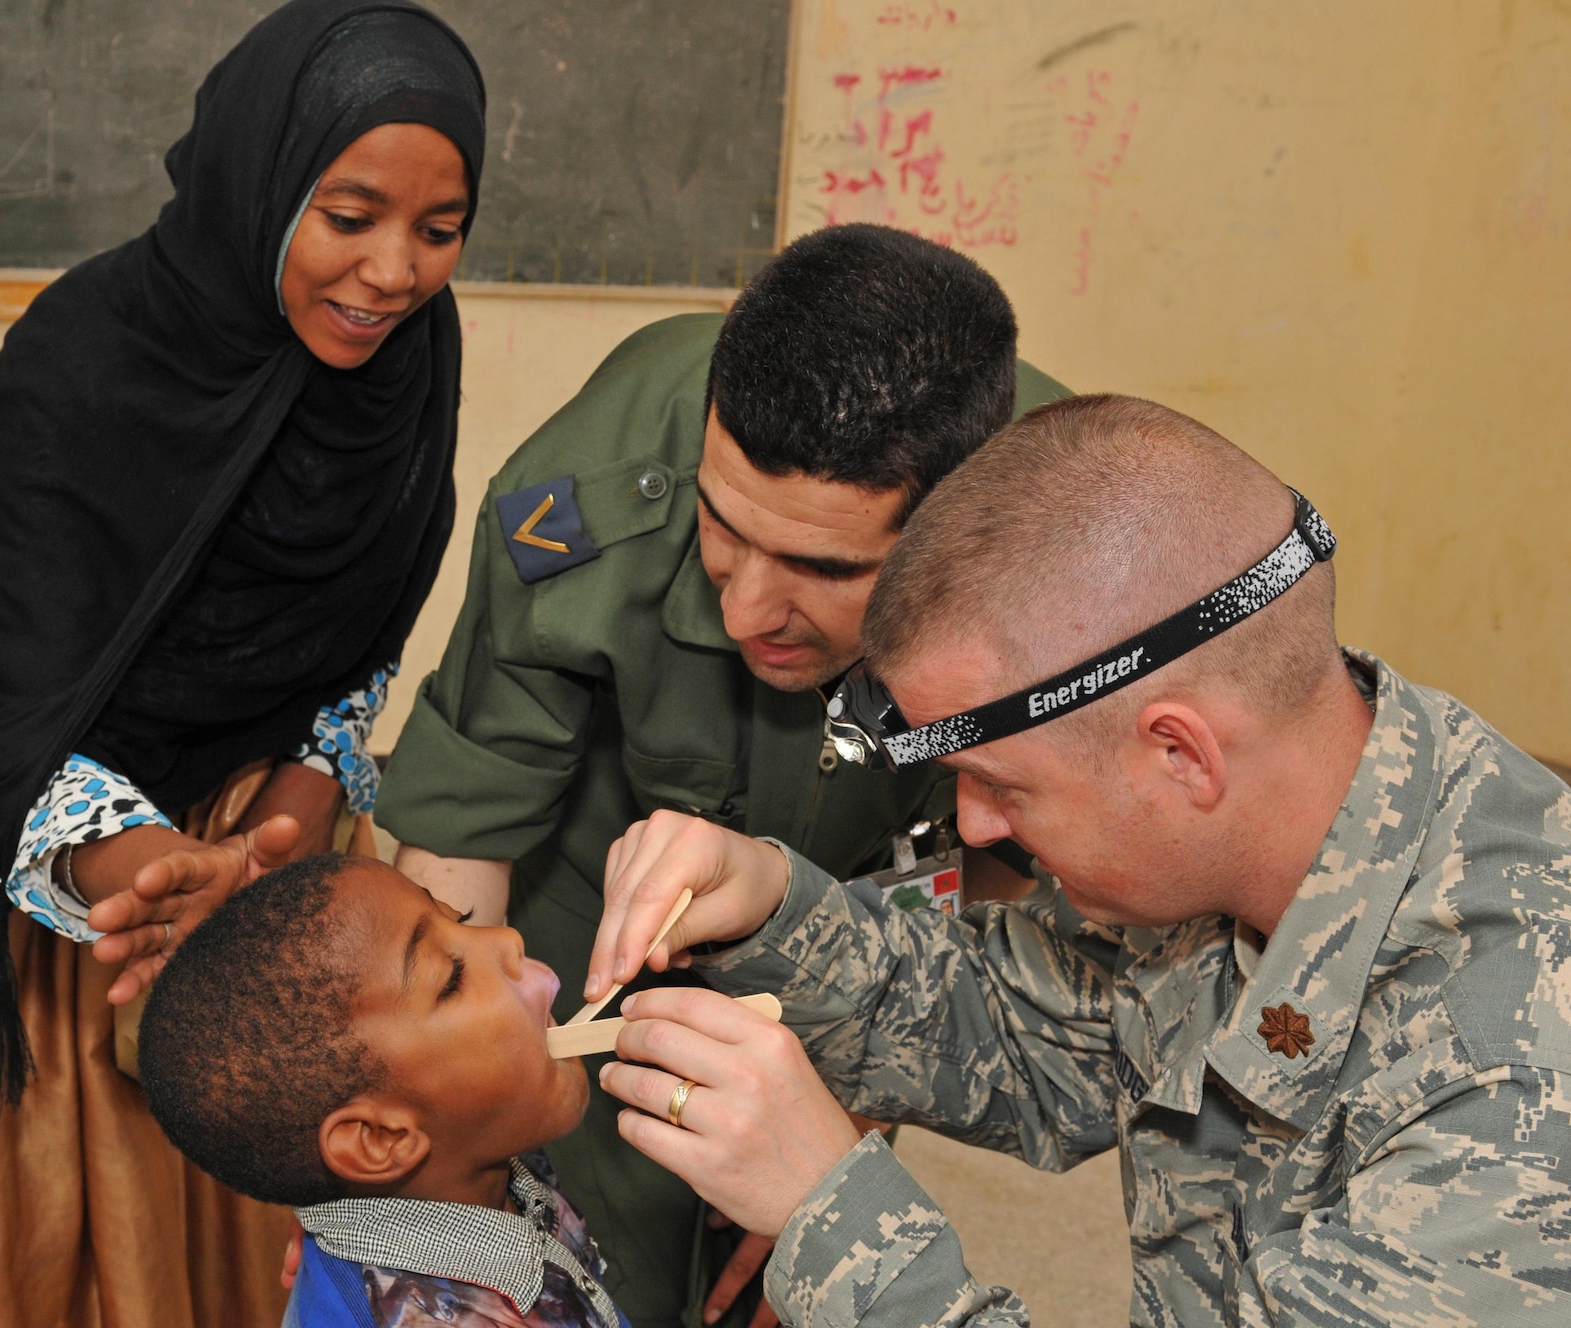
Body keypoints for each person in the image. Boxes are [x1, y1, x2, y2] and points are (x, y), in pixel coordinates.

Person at [586, 394, 1571, 1325]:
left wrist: (835, 1219)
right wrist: (767, 908)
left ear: (1178, 752)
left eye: (1000, 785)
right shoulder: (1269, 824)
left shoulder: (1513, 1084)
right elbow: (1010, 1029)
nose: (974, 826)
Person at [0, 4, 486, 1325]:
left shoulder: (408, 364)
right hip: (57, 869)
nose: (394, 273)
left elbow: (359, 642)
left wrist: (277, 834)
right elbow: (19, 676)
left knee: (245, 1239)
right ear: (262, 180)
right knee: (33, 1252)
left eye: (439, 231)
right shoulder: (88, 352)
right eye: (349, 216)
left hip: (258, 874)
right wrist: (152, 885)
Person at [372, 222, 1068, 1328]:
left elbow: (1025, 910)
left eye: (821, 568)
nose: (745, 608)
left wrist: (846, 1125)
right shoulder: (586, 494)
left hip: (881, 913)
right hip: (590, 916)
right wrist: (415, 1183)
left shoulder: (1069, 555)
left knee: (790, 1280)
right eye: (721, 526)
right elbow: (467, 823)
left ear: (953, 542)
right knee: (609, 1266)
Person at [136, 853, 621, 1328]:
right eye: (451, 978)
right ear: (378, 1139)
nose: (508, 939)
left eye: (464, 918)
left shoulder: (489, 1156)